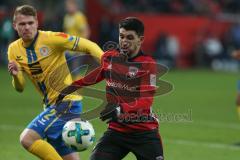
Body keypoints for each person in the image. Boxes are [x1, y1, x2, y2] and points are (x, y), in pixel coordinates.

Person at [57, 17, 164, 160]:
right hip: (117, 131)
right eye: (122, 36)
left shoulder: (147, 64)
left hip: (144, 133)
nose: (124, 41)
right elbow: (94, 76)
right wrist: (69, 88)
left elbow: (146, 100)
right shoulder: (109, 58)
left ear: (140, 39)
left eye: (130, 37)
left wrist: (120, 109)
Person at [7, 5, 103, 160]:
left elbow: (88, 45)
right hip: (51, 106)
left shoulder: (51, 39)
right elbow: (20, 88)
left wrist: (107, 62)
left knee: (27, 139)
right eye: (22, 24)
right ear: (15, 26)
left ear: (37, 23)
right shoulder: (13, 50)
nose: (27, 27)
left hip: (66, 102)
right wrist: (16, 76)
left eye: (30, 23)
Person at [63, 0, 91, 79]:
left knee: (75, 70)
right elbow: (66, 32)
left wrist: (81, 46)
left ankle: (80, 86)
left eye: (70, 6)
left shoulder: (79, 16)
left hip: (77, 48)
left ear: (75, 6)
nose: (68, 8)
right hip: (68, 48)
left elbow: (86, 31)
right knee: (65, 68)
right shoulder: (67, 17)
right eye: (67, 6)